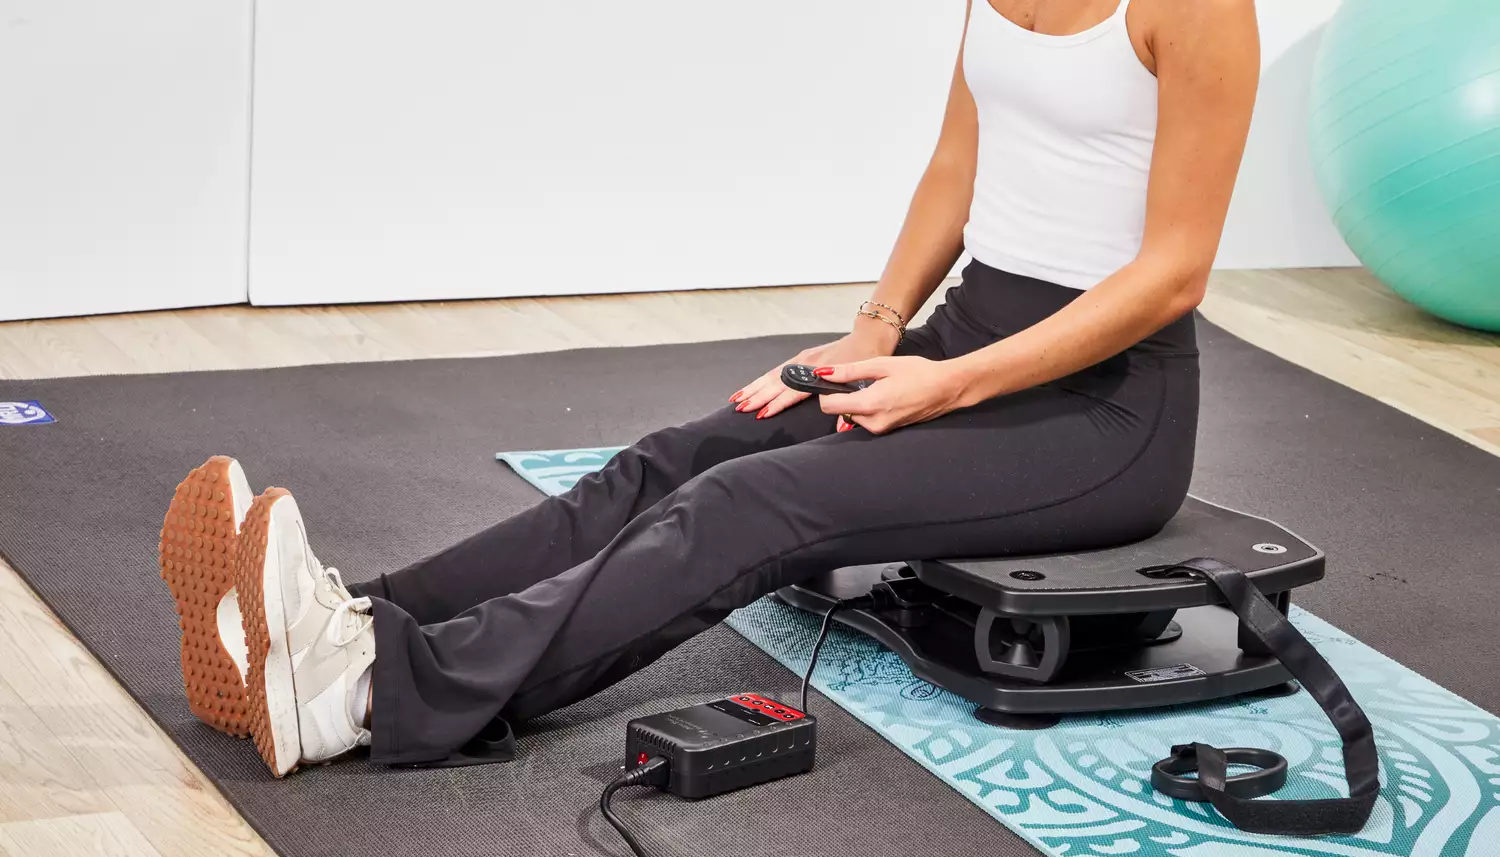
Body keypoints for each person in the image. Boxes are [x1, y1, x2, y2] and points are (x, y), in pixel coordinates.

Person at [159, 0, 1259, 776]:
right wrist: (873, 332)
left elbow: (1173, 275)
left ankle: (371, 695)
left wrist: (949, 385)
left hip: (1104, 409)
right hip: (960, 338)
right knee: (691, 451)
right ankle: (366, 616)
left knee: (753, 506)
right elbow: (957, 167)